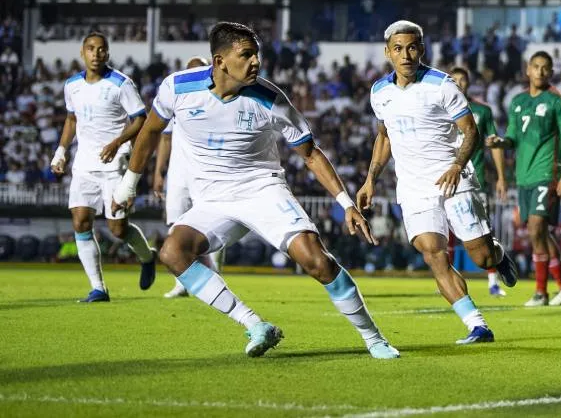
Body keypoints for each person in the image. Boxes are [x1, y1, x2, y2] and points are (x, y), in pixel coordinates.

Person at [111, 22, 398, 359]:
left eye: (256, 54)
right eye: (246, 55)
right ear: (219, 61)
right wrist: (128, 183)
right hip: (214, 200)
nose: (255, 62)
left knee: (316, 260)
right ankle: (255, 324)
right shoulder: (177, 88)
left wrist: (346, 203)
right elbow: (149, 132)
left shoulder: (270, 99)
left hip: (262, 190)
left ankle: (374, 338)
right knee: (173, 252)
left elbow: (310, 154)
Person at [357, 21, 517, 345]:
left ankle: (498, 256)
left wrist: (458, 165)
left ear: (422, 49)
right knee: (433, 253)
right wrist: (370, 179)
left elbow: (471, 131)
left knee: (481, 258)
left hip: (453, 179)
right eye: (398, 48)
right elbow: (384, 136)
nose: (406, 55)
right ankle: (477, 325)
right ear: (388, 52)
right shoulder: (379, 92)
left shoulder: (442, 85)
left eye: (413, 47)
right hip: (414, 189)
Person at [50, 31, 156, 302]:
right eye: (90, 48)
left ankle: (147, 257)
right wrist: (61, 151)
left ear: (107, 53)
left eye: (101, 49)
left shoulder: (121, 83)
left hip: (115, 161)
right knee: (80, 221)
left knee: (118, 230)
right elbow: (72, 120)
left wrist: (116, 142)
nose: (96, 53)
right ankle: (98, 288)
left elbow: (140, 119)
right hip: (84, 164)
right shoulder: (72, 85)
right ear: (82, 53)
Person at [486, 51, 561, 308]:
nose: (540, 72)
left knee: (537, 228)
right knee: (539, 235)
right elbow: (512, 137)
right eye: (536, 67)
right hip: (523, 177)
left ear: (551, 72)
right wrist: (500, 142)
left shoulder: (558, 101)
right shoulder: (517, 102)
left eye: (545, 68)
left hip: (546, 173)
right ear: (527, 70)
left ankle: (541, 292)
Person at [152, 56, 223, 299]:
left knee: (212, 225)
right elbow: (165, 138)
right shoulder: (178, 102)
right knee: (175, 224)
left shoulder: (217, 102)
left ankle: (215, 275)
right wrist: (158, 172)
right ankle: (182, 282)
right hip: (178, 172)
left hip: (207, 171)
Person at [449, 65, 510, 297]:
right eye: (454, 80)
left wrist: (502, 177)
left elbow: (493, 145)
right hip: (447, 181)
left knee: (484, 232)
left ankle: (493, 282)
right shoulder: (439, 110)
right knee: (447, 233)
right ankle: (451, 279)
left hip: (477, 181)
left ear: (468, 82)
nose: (458, 83)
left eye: (462, 79)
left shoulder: (482, 111)